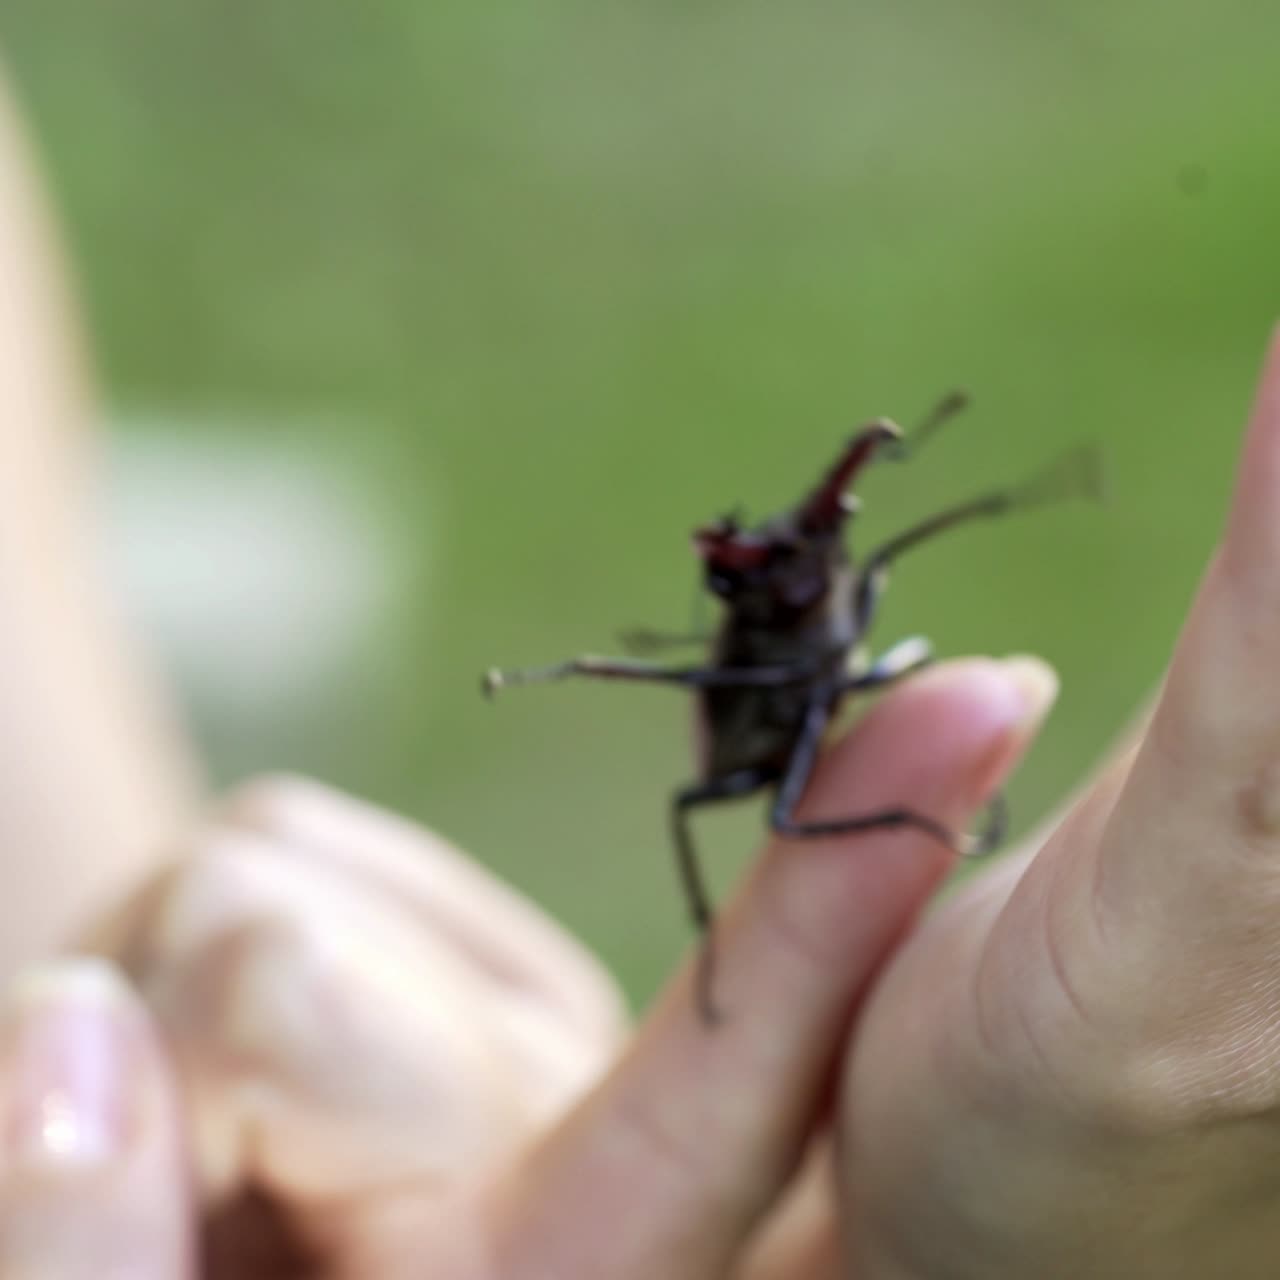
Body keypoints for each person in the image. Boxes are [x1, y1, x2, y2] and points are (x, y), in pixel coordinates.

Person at [4, 58, 1280, 1279]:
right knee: (779, 798)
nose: (813, 555)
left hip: (796, 725)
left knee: (899, 645)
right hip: (762, 749)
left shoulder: (826, 603)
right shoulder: (750, 661)